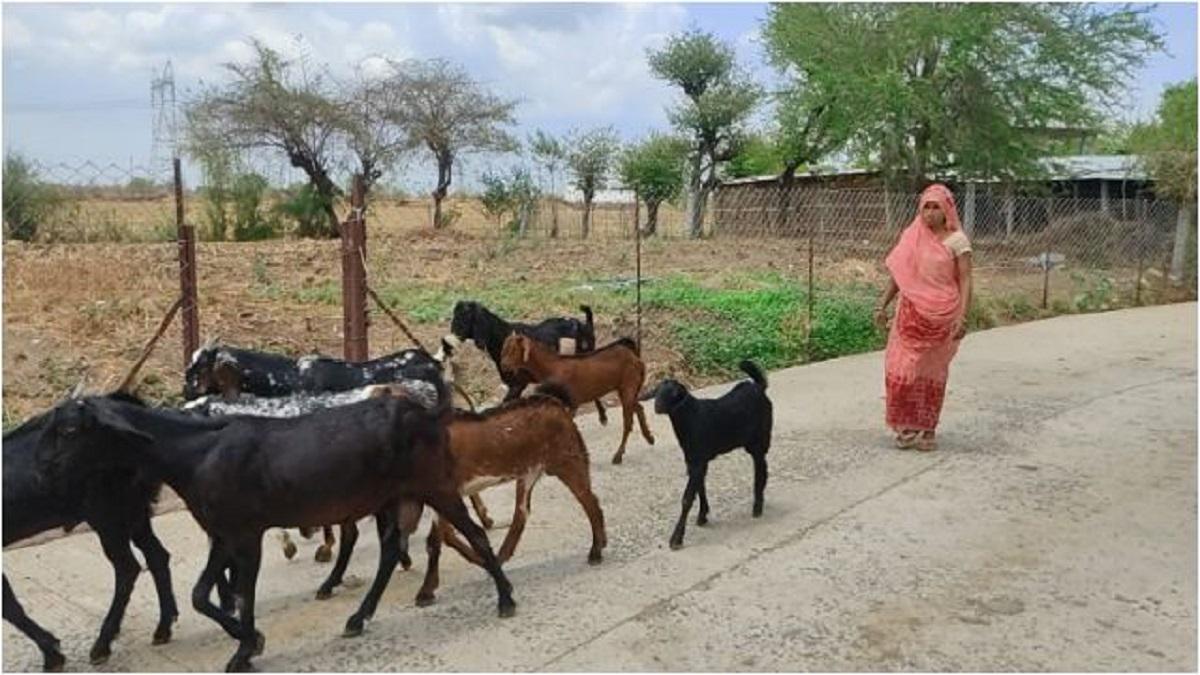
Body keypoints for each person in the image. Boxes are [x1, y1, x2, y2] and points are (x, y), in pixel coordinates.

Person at [873, 183, 973, 452]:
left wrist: (962, 317)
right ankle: (906, 427)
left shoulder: (957, 242)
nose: (930, 213)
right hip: (909, 315)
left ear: (947, 210)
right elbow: (900, 276)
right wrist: (881, 306)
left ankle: (927, 429)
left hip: (942, 316)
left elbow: (965, 279)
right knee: (901, 369)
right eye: (925, 207)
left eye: (935, 207)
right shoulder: (912, 237)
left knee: (931, 374)